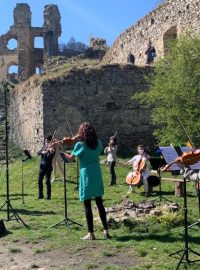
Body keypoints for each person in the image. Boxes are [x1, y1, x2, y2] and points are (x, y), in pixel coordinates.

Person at [63, 122, 111, 240]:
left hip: (86, 174)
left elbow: (70, 159)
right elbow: (99, 151)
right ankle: (106, 231)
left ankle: (91, 233)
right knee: (100, 203)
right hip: (97, 173)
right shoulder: (98, 143)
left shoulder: (80, 145)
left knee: (87, 204)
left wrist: (61, 151)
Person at [37, 135, 55, 199]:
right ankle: (40, 195)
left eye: (47, 141)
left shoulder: (52, 148)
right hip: (42, 166)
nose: (46, 142)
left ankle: (48, 196)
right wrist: (42, 151)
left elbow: (49, 156)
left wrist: (50, 152)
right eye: (46, 141)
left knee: (47, 182)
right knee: (39, 181)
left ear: (50, 142)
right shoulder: (44, 147)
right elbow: (38, 153)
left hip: (48, 167)